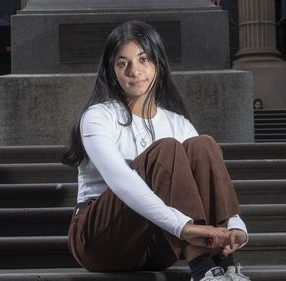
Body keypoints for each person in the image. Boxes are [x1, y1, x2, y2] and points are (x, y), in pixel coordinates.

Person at [62, 21, 249, 281]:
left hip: (161, 243)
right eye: (122, 63)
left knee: (203, 144)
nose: (134, 71)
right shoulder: (98, 116)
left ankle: (224, 265)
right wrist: (182, 226)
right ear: (112, 71)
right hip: (102, 241)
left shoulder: (177, 122)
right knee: (166, 149)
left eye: (143, 59)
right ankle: (204, 270)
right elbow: (121, 181)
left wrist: (235, 225)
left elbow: (209, 179)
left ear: (158, 64)